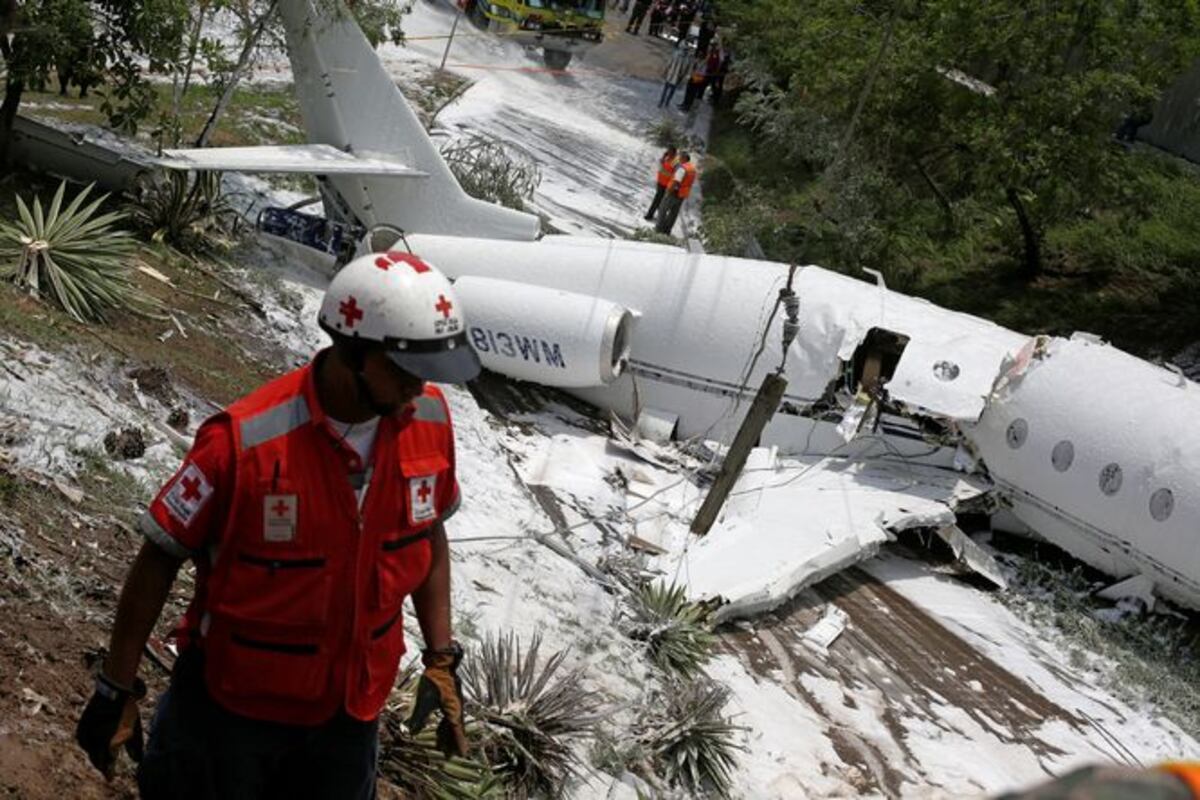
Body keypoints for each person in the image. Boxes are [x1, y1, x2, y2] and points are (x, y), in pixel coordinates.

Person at [75, 251, 481, 799]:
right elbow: (160, 555)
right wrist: (114, 687)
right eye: (405, 372)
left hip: (348, 712)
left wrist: (441, 657)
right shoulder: (243, 444)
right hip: (229, 715)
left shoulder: (428, 421)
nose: (420, 389)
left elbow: (427, 534)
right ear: (352, 352)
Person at [656, 151, 697, 235]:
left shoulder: (682, 168)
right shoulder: (692, 169)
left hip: (674, 192)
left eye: (680, 157)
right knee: (673, 213)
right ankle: (667, 230)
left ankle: (659, 229)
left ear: (684, 158)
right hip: (682, 194)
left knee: (662, 209)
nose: (678, 159)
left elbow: (676, 181)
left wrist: (668, 191)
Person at [645, 145, 678, 221]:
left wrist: (664, 172)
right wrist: (663, 158)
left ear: (674, 152)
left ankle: (651, 215)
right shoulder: (666, 158)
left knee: (659, 201)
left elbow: (674, 174)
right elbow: (660, 165)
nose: (668, 152)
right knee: (659, 201)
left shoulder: (675, 162)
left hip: (667, 185)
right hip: (660, 182)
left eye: (670, 151)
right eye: (668, 151)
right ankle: (658, 217)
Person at [658, 42, 690, 108]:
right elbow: (684, 69)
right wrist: (682, 76)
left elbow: (669, 63)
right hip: (676, 76)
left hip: (672, 74)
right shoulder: (685, 58)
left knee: (666, 89)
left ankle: (662, 102)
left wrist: (665, 71)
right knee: (671, 90)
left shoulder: (676, 54)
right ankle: (666, 102)